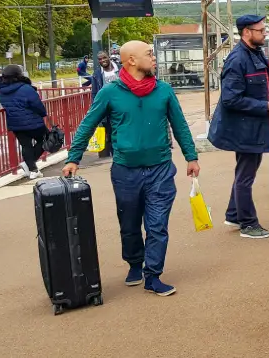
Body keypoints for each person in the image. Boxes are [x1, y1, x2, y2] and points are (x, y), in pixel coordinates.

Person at [62, 41, 200, 297]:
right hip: (126, 171)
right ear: (132, 61)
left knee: (157, 224)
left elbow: (180, 125)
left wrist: (191, 156)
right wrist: (74, 157)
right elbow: (88, 124)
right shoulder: (110, 92)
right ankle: (135, 263)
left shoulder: (164, 91)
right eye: (149, 54)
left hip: (160, 168)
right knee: (129, 222)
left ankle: (153, 275)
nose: (154, 58)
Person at [207, 14, 269, 239]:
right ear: (246, 32)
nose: (265, 33)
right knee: (245, 177)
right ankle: (248, 224)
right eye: (260, 30)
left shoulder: (254, 54)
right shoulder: (238, 59)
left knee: (244, 173)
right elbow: (230, 99)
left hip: (253, 128)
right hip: (246, 131)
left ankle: (234, 213)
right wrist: (267, 106)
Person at [0, 65, 47, 179]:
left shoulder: (1, 90)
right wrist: (43, 113)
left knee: (26, 145)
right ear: (19, 75)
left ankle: (32, 169)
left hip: (15, 122)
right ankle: (29, 165)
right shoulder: (26, 88)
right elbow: (37, 104)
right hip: (33, 121)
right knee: (46, 138)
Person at [91, 51, 121, 159]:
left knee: (123, 131)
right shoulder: (97, 74)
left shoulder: (120, 69)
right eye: (100, 59)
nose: (102, 60)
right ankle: (116, 158)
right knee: (111, 133)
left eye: (104, 58)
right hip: (107, 109)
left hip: (122, 106)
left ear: (109, 57)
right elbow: (94, 93)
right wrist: (95, 109)